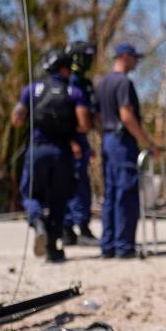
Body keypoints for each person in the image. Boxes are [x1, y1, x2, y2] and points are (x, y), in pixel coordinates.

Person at [12, 50, 91, 262]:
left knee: (30, 193)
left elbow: (17, 119)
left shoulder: (32, 89)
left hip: (37, 149)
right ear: (65, 69)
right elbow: (84, 125)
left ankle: (37, 222)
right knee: (59, 199)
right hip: (62, 152)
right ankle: (53, 248)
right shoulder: (74, 91)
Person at [97, 43, 159, 259]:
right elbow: (126, 116)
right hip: (122, 141)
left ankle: (108, 245)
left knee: (111, 193)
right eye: (134, 57)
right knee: (126, 192)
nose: (136, 62)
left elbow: (96, 117)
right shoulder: (123, 82)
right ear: (124, 57)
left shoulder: (103, 82)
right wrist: (148, 143)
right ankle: (124, 246)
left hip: (107, 139)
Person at [63, 40, 99, 246]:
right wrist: (72, 142)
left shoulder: (83, 83)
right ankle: (74, 227)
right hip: (71, 141)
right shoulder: (70, 83)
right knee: (75, 186)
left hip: (81, 141)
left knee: (78, 184)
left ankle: (75, 228)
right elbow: (66, 117)